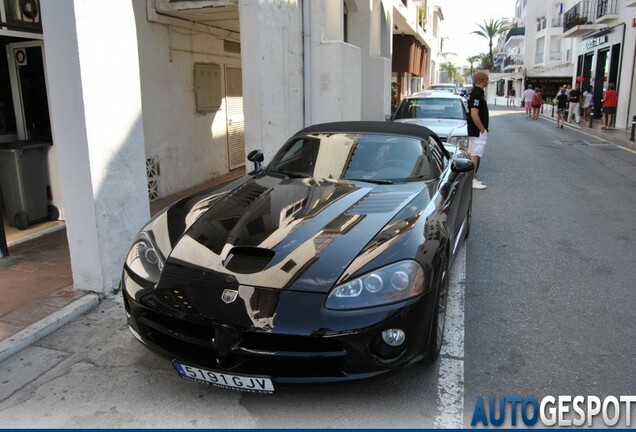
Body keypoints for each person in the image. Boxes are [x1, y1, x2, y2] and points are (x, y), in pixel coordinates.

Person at [467, 70, 490, 190]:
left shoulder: (477, 93)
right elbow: (474, 114)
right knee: (475, 154)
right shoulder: (476, 94)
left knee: (474, 153)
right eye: (487, 79)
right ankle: (472, 180)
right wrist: (482, 129)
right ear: (482, 80)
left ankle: (472, 177)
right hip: (477, 130)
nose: (488, 82)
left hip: (476, 130)